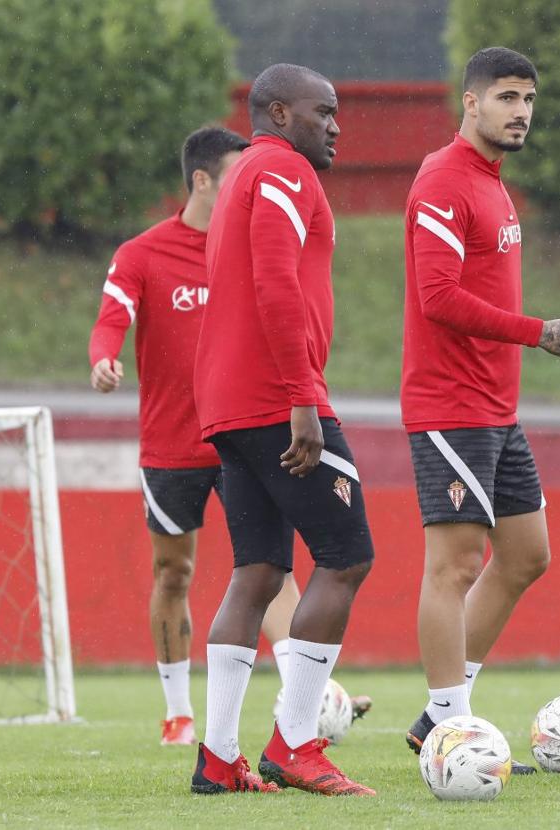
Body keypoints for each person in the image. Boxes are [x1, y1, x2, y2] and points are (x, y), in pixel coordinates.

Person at [400, 47, 560, 772]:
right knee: (454, 564)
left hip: (495, 407)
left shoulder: (490, 182)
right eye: (507, 97)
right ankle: (454, 725)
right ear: (471, 102)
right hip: (450, 406)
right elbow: (437, 298)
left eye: (529, 98)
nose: (521, 111)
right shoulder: (445, 181)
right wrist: (537, 332)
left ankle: (438, 716)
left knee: (525, 557)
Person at [189, 63, 375, 797]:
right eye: (322, 110)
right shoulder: (284, 172)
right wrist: (304, 396)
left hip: (232, 405)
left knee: (259, 572)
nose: (335, 124)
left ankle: (217, 757)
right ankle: (296, 743)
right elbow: (274, 281)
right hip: (277, 400)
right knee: (347, 555)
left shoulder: (240, 177)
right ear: (277, 112)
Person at [88, 127, 306, 747]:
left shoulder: (253, 247)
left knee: (272, 568)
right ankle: (178, 712)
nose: (249, 186)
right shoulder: (142, 253)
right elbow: (112, 318)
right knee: (174, 572)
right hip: (173, 445)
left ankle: (303, 699)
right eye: (238, 174)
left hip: (246, 434)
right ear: (203, 180)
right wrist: (104, 358)